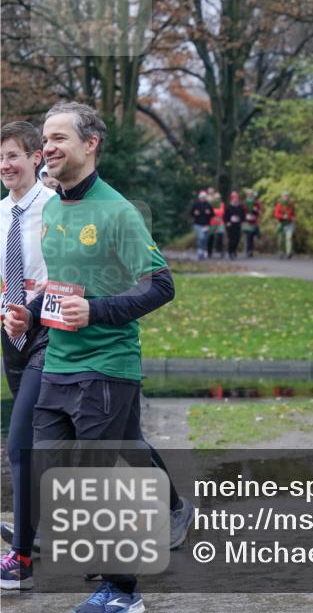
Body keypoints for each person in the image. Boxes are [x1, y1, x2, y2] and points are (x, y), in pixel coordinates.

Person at [3, 103, 177, 612]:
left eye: (59, 138)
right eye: (46, 139)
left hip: (106, 366)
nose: (49, 147)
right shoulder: (54, 208)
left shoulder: (117, 211)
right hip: (57, 362)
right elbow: (61, 290)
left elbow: (161, 285)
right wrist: (29, 316)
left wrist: (95, 312)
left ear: (90, 144)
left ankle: (125, 595)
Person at [0, 121, 55, 591]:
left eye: (13, 155)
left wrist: (32, 316)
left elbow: (69, 276)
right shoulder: (0, 214)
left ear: (36, 157)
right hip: (9, 339)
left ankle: (20, 558)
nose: (5, 165)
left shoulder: (57, 208)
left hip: (49, 336)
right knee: (42, 443)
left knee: (20, 443)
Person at [190, 190, 213, 260]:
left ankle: (203, 251)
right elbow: (191, 213)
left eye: (204, 197)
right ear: (199, 198)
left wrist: (209, 213)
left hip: (206, 225)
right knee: (201, 237)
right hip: (198, 224)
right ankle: (199, 251)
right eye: (202, 197)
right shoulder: (196, 205)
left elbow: (213, 214)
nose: (203, 198)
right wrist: (195, 213)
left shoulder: (208, 205)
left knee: (205, 239)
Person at [223, 190, 245, 260]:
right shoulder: (229, 207)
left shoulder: (240, 207)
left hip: (237, 224)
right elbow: (225, 216)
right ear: (232, 199)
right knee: (231, 239)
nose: (235, 199)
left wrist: (241, 220)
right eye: (234, 198)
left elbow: (243, 215)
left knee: (237, 238)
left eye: (236, 198)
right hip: (230, 225)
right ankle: (230, 252)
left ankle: (234, 250)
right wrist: (227, 222)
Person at [274, 191, 296, 259]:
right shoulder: (279, 205)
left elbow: (293, 214)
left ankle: (288, 252)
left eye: (287, 196)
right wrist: (283, 216)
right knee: (281, 239)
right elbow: (276, 214)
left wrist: (292, 218)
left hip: (289, 223)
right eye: (284, 196)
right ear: (282, 197)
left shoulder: (291, 205)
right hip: (281, 224)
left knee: (289, 238)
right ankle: (281, 251)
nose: (286, 197)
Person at [242, 189, 262, 258]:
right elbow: (242, 211)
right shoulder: (244, 202)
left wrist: (256, 210)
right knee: (248, 236)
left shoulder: (256, 203)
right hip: (247, 221)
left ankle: (250, 249)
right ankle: (249, 251)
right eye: (249, 194)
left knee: (252, 236)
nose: (250, 195)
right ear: (247, 195)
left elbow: (260, 211)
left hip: (254, 221)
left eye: (251, 194)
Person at [208, 191, 225, 259]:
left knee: (220, 236)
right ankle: (209, 251)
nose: (217, 199)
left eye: (218, 198)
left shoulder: (221, 204)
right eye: (216, 198)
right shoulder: (211, 205)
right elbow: (210, 213)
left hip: (220, 222)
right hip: (212, 223)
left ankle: (221, 251)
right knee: (211, 237)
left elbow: (222, 212)